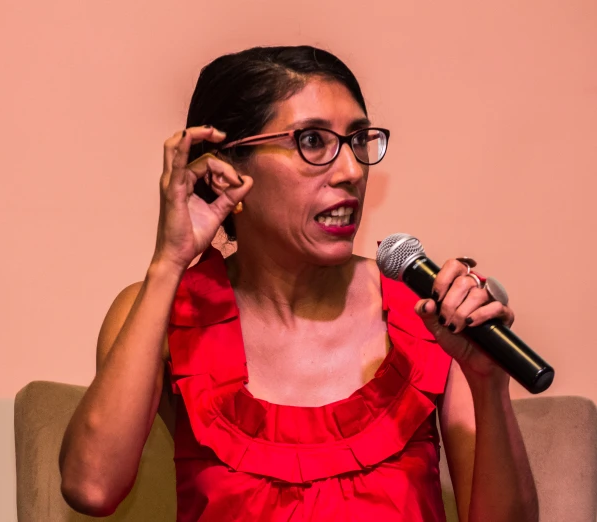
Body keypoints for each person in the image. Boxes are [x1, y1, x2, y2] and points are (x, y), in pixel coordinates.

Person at [58, 45, 539, 521]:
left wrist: (488, 383)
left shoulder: (430, 312)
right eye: (312, 141)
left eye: (357, 140)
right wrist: (170, 261)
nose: (351, 172)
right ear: (229, 168)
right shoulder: (164, 310)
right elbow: (92, 487)